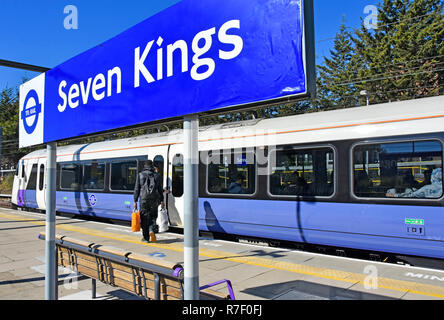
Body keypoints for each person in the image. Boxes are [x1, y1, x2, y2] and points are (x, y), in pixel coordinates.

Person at [134, 160, 164, 242]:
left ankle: (145, 237)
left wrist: (135, 201)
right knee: (153, 216)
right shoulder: (157, 176)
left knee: (144, 218)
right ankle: (151, 230)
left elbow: (137, 189)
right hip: (154, 200)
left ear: (145, 166)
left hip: (143, 199)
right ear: (152, 166)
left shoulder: (140, 175)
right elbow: (160, 190)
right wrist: (162, 200)